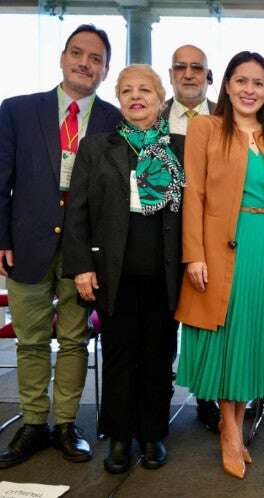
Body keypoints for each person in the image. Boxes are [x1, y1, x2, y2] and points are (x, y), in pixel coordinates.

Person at [0, 24, 121, 469]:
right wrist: (1, 237)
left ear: (105, 71)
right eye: (78, 53)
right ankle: (33, 423)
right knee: (31, 340)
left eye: (95, 59)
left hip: (84, 252)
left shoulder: (115, 120)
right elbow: (1, 179)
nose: (85, 63)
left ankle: (67, 424)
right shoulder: (16, 110)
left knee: (75, 339)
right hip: (26, 243)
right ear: (62, 57)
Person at [175, 51, 264, 480]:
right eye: (241, 80)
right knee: (225, 340)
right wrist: (194, 254)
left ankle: (236, 426)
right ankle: (230, 431)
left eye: (258, 83)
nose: (249, 89)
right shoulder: (205, 127)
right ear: (225, 85)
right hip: (220, 247)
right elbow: (193, 194)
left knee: (250, 341)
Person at [62, 64, 184, 474]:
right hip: (112, 274)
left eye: (145, 90)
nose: (137, 96)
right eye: (128, 90)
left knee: (157, 357)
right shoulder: (98, 147)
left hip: (165, 275)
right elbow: (77, 213)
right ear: (118, 99)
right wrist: (80, 268)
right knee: (118, 356)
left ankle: (151, 436)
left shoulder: (178, 148)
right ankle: (118, 437)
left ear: (160, 98)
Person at [163, 44, 220, 432]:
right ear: (170, 74)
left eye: (196, 68)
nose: (188, 74)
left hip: (210, 238)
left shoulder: (225, 118)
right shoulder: (152, 116)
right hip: (159, 236)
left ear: (207, 75)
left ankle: (207, 397)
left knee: (206, 321)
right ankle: (158, 400)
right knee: (163, 322)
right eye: (180, 67)